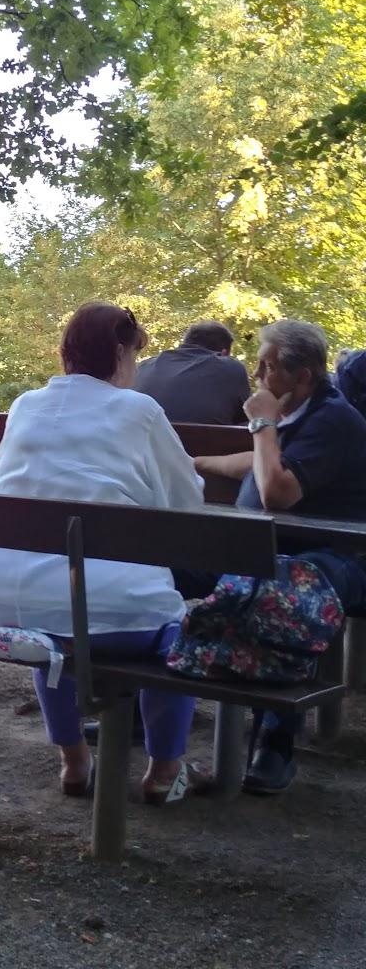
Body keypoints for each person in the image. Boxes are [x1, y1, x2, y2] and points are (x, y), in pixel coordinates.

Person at [0, 302, 209, 804]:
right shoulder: (139, 410)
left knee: (52, 621)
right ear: (119, 351)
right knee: (178, 631)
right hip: (103, 605)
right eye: (134, 355)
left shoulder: (26, 404)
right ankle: (164, 771)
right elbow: (185, 502)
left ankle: (73, 760)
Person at [192, 320, 366, 794]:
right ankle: (147, 707)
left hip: (335, 559)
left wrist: (263, 422)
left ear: (303, 374)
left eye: (267, 366)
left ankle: (276, 738)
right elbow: (256, 461)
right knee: (167, 565)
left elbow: (277, 493)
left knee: (276, 591)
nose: (256, 373)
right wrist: (195, 463)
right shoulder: (297, 413)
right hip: (267, 551)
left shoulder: (333, 419)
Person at [133, 320, 251, 424]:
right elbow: (246, 416)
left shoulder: (145, 366)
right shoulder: (231, 368)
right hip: (206, 448)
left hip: (142, 447)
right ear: (224, 353)